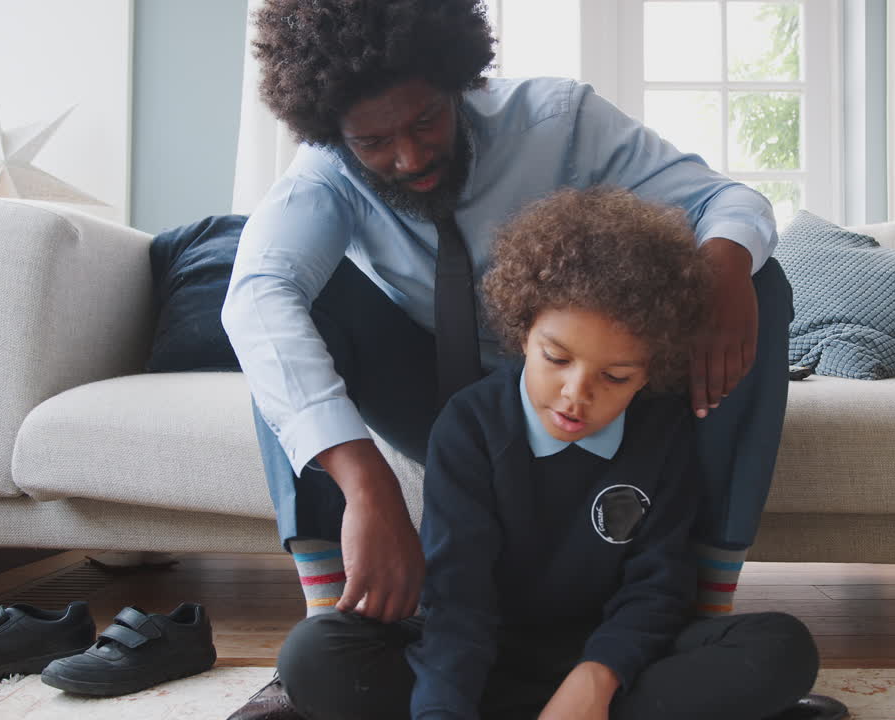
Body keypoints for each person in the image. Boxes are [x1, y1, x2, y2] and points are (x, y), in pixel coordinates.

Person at [222, 1, 795, 717]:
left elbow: (726, 198)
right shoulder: (324, 173)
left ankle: (698, 621)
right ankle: (336, 613)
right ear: (335, 135)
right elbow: (256, 300)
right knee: (282, 315)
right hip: (442, 400)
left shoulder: (558, 119)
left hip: (598, 391)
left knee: (750, 279)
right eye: (375, 142)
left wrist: (726, 263)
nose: (409, 157)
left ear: (456, 81)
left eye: (426, 120)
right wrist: (365, 481)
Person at [275, 187, 840, 720]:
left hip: (611, 659)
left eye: (615, 376)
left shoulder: (660, 434)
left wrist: (595, 676)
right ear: (523, 333)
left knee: (782, 649)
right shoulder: (470, 425)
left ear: (649, 372)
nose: (577, 394)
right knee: (313, 654)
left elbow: (657, 589)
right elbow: (458, 601)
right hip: (485, 650)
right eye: (556, 358)